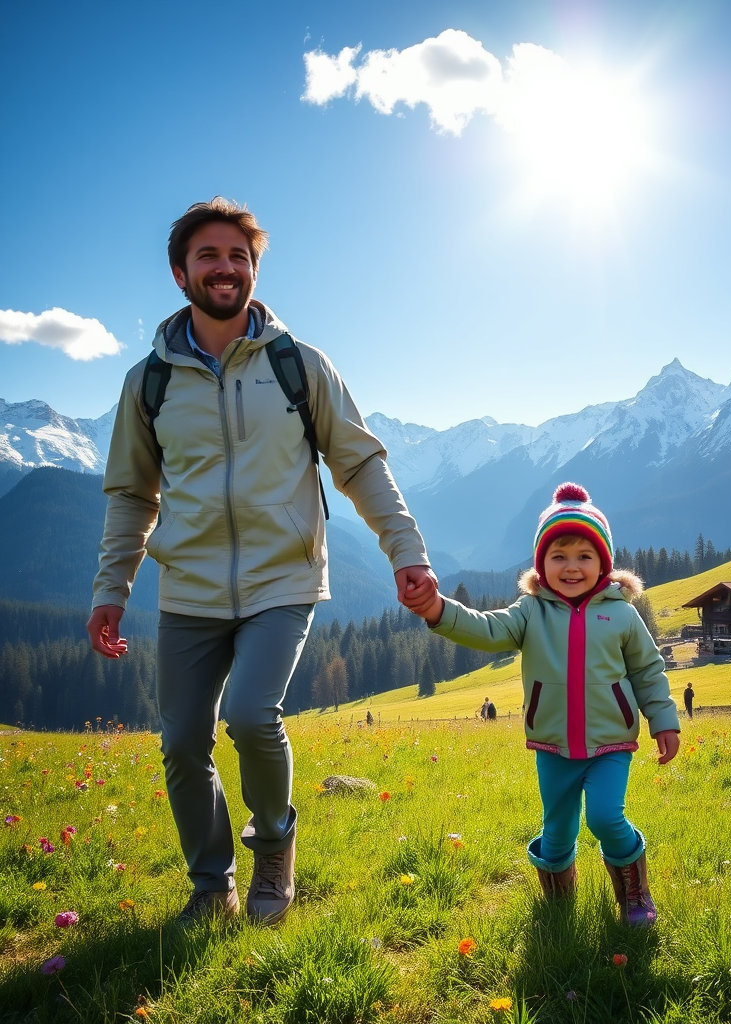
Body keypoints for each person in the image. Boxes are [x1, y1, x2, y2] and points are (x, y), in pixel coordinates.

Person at [86, 198, 437, 926]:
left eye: (239, 257)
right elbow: (132, 495)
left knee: (251, 715)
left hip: (283, 579)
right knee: (183, 742)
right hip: (189, 588)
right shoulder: (148, 383)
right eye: (209, 256)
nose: (226, 268)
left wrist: (406, 551)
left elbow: (359, 464)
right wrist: (110, 590)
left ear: (254, 270)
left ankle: (274, 846)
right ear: (180, 273)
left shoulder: (298, 366)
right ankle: (211, 885)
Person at [413, 483, 680, 926]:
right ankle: (558, 907)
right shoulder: (529, 611)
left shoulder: (621, 613)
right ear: (541, 564)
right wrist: (438, 610)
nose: (571, 567)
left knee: (605, 817)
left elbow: (648, 671)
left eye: (584, 556)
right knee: (557, 830)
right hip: (553, 744)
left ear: (603, 563)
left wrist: (664, 721)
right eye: (559, 556)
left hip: (610, 742)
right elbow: (486, 628)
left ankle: (635, 895)